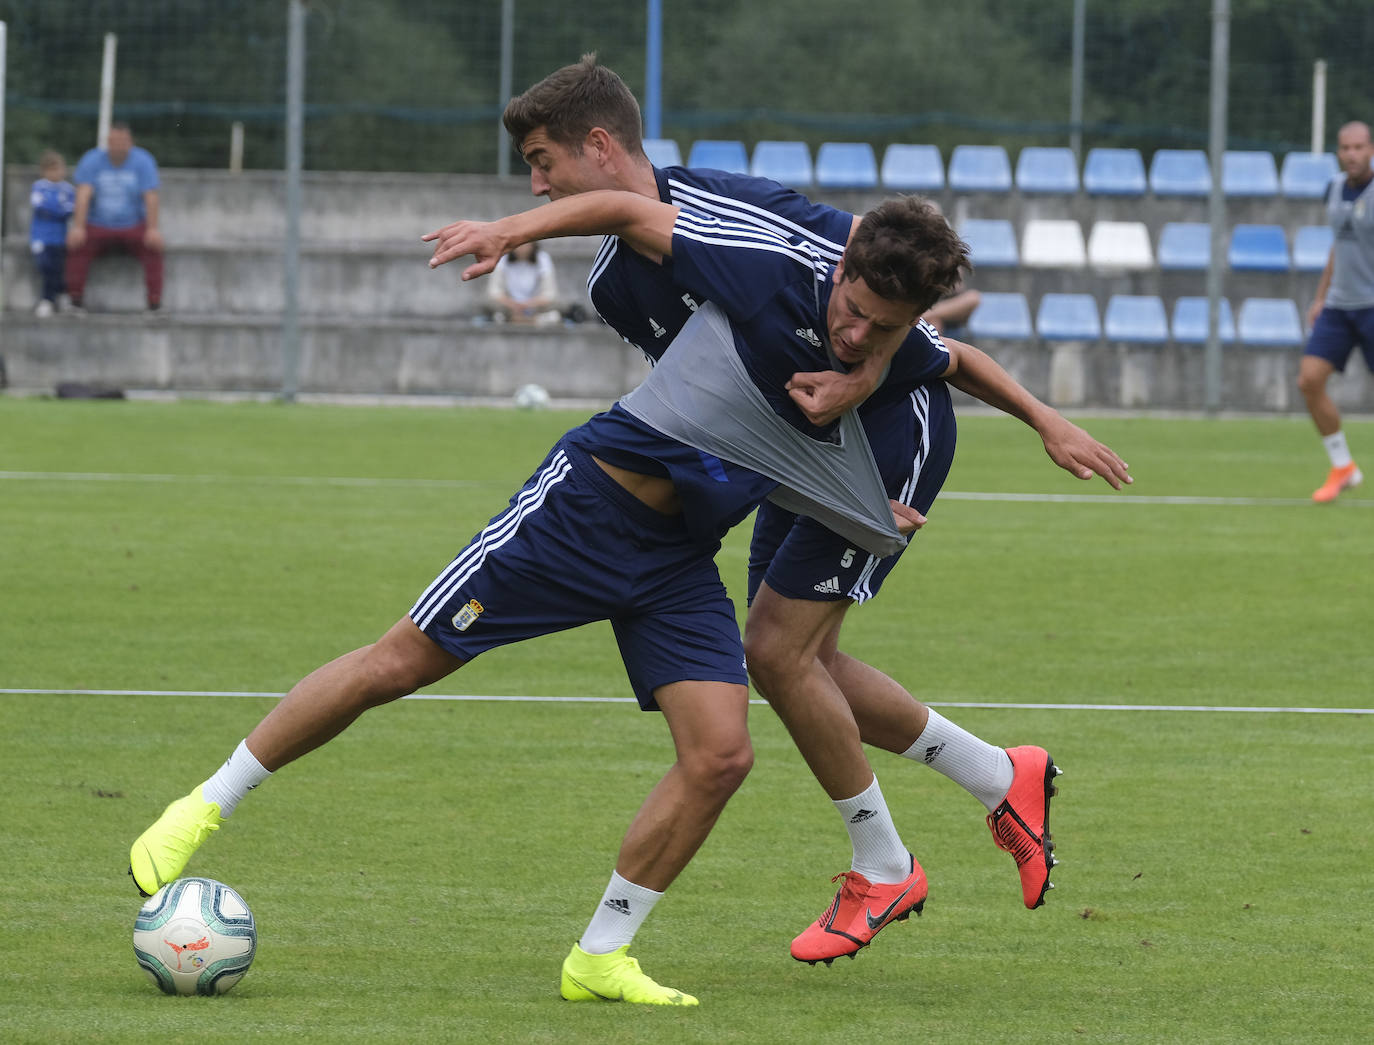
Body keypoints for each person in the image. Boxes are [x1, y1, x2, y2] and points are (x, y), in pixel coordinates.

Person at [130, 192, 966, 1006]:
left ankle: (600, 956)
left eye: (881, 328)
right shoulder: (762, 271)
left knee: (720, 755)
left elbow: (957, 363)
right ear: (841, 269)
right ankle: (202, 807)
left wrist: (1031, 425)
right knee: (397, 664)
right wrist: (509, 229)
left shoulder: (887, 341)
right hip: (582, 513)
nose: (856, 334)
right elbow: (629, 212)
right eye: (853, 311)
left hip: (677, 560)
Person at [473, 56, 1129, 964]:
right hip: (791, 448)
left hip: (891, 444)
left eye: (543, 165)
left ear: (599, 146)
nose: (535, 182)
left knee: (777, 652)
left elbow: (920, 323)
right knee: (803, 659)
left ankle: (884, 863)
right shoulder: (618, 284)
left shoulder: (755, 229)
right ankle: (997, 774)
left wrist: (935, 406)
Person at [1299, 120, 1374, 503]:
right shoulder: (1332, 190)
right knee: (1309, 381)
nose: (1352, 154)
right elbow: (1339, 247)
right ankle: (1342, 466)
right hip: (1340, 306)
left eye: (1360, 147)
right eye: (1346, 147)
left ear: (1372, 149)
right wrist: (1320, 296)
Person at [64, 122, 164, 313]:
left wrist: (152, 229)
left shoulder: (143, 161)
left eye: (122, 141)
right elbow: (83, 195)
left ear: (131, 142)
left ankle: (154, 303)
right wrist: (78, 227)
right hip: (98, 224)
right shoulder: (92, 159)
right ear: (107, 142)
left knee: (153, 246)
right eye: (114, 141)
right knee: (77, 243)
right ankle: (74, 301)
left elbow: (151, 197)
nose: (118, 145)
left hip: (132, 224)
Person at [29, 150, 76, 318]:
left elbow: (69, 210)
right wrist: (58, 210)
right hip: (41, 237)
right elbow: (42, 208)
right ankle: (52, 297)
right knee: (46, 267)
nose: (57, 173)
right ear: (44, 171)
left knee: (57, 268)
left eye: (59, 168)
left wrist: (55, 209)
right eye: (52, 169)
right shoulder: (39, 187)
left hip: (59, 238)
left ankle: (53, 298)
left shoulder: (68, 189)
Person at [486, 240, 563, 324]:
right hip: (509, 309)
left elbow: (550, 294)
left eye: (526, 244)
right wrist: (513, 305)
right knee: (496, 313)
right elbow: (494, 292)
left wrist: (528, 305)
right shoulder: (503, 258)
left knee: (554, 316)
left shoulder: (543, 258)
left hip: (535, 309)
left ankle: (526, 320)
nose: (522, 248)